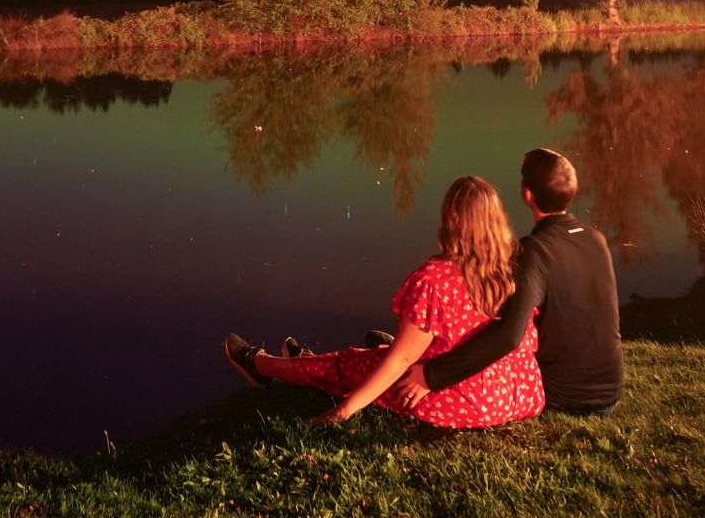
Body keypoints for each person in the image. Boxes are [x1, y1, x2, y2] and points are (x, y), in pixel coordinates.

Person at [222, 175, 544, 429]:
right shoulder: (512, 267)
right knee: (379, 355)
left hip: (460, 398)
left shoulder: (436, 279)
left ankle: (262, 366)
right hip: (513, 393)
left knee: (352, 364)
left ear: (454, 217)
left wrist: (342, 412)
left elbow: (400, 360)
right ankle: (303, 361)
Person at [389, 148, 622, 417]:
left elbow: (508, 335)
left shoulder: (533, 252)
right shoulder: (596, 240)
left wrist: (431, 376)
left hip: (565, 397)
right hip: (610, 393)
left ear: (527, 195)